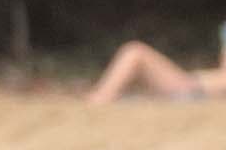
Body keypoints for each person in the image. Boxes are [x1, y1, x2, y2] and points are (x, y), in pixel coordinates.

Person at [83, 26, 226, 103]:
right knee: (134, 52)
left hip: (196, 90)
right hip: (194, 85)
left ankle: (99, 100)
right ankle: (100, 99)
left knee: (135, 53)